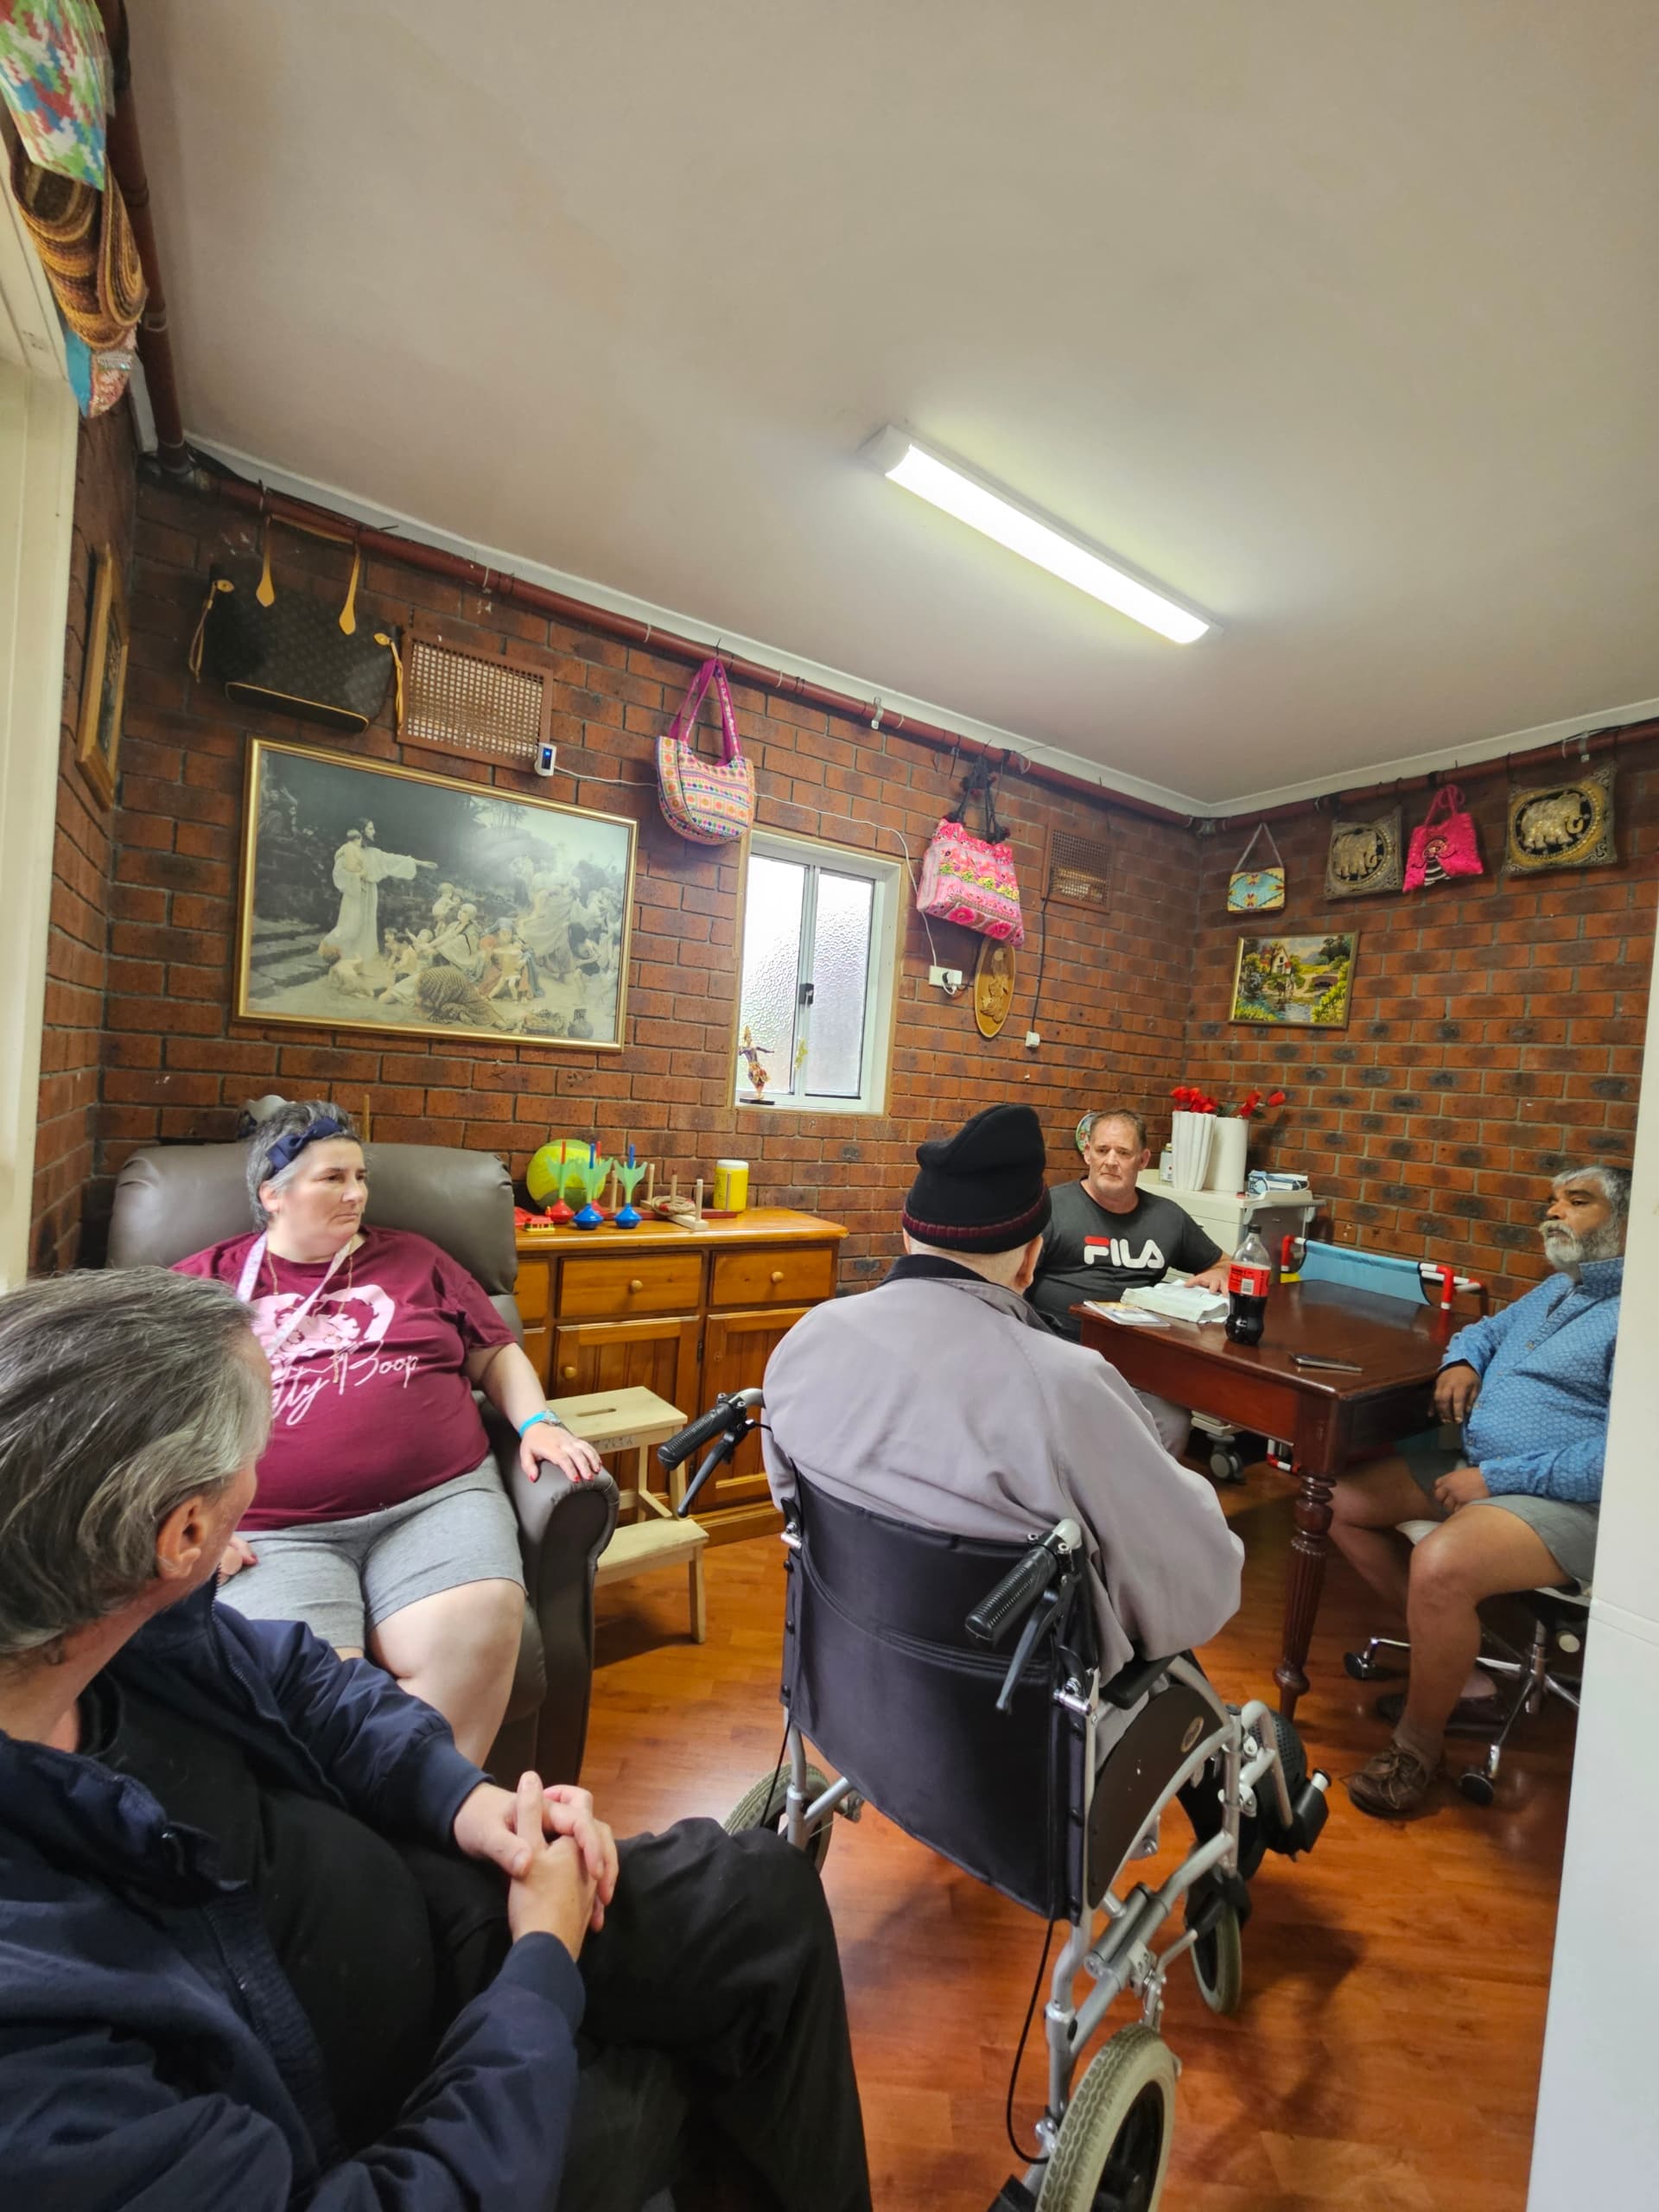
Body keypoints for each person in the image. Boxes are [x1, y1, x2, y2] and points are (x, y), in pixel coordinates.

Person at [0, 1268, 871, 2211]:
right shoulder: (34, 2053)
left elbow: (302, 1679)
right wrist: (543, 1967)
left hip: (431, 1903)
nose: (270, 1469)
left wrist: (465, 1797)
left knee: (761, 1895)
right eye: (262, 1446)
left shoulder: (114, 1632)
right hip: (388, 2116)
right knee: (701, 2060)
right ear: (184, 1533)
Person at [762, 1103, 1243, 1756]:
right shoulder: (1069, 1387)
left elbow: (793, 1505)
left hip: (855, 1664)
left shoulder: (811, 1337)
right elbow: (1201, 1577)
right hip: (1010, 1706)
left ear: (907, 1238)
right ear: (1030, 1262)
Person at [174, 1100, 603, 1764]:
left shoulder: (415, 1261)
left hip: (436, 1504)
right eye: (333, 1179)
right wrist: (189, 1517)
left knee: (476, 1631)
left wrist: (538, 1422)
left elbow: (492, 1351)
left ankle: (436, 1826)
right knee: (309, 1692)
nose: (356, 1195)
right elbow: (141, 1414)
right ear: (272, 1194)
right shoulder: (203, 1285)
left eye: (361, 1177)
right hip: (271, 1532)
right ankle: (368, 1844)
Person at [1333, 1163, 1629, 1819]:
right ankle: (1464, 1677)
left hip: (1566, 1500)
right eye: (1551, 1201)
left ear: (1626, 1225)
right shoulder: (1558, 1290)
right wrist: (1462, 1360)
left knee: (1440, 1567)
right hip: (1477, 1462)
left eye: (1576, 1202)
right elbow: (1483, 1330)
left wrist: (1497, 1478)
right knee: (1337, 1504)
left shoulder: (1640, 1318)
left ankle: (1417, 1746)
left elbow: (1623, 1460)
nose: (1553, 1213)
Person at [1026, 1105, 1231, 1455]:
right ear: (1087, 1151)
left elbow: (1225, 1263)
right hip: (1060, 1351)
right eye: (1102, 1150)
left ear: (1143, 1160)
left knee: (1173, 1422)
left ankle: (1137, 1506)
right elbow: (1011, 1282)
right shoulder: (1051, 1208)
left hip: (1136, 1361)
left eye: (1123, 1153)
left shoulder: (1167, 1217)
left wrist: (1218, 1273)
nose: (1110, 1161)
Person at [321, 820, 433, 968]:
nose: (374, 831)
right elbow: (339, 872)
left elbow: (394, 859)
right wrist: (357, 877)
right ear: (362, 831)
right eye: (371, 828)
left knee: (366, 927)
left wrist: (421, 863)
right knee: (351, 925)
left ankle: (355, 961)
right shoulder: (348, 850)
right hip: (355, 893)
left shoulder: (374, 853)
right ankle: (331, 949)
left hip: (370, 893)